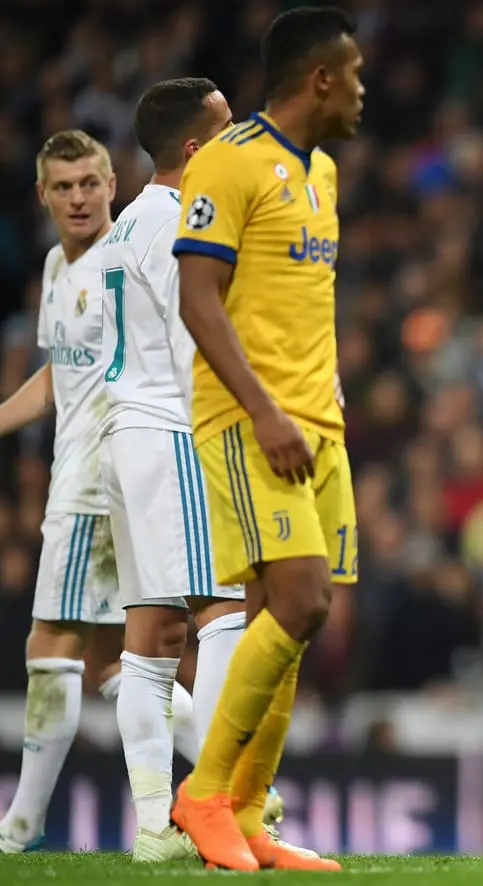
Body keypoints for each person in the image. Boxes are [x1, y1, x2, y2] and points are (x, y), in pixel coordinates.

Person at [167, 6, 363, 872]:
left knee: (292, 617)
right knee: (302, 599)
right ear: (320, 78)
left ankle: (246, 814)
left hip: (320, 421)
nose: (362, 91)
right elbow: (198, 299)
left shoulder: (322, 172)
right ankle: (204, 793)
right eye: (353, 74)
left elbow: (301, 307)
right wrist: (267, 412)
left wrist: (322, 405)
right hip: (254, 422)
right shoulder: (228, 160)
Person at [0, 131, 198, 853]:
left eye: (90, 183)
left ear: (114, 183)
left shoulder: (131, 260)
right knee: (125, 662)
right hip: (108, 471)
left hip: (97, 476)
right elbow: (60, 378)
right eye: (64, 186)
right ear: (43, 195)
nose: (79, 197)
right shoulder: (58, 264)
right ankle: (246, 788)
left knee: (53, 641)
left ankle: (20, 825)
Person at [97, 77, 254, 862]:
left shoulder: (127, 224)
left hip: (127, 434)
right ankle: (218, 798)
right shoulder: (177, 225)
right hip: (176, 430)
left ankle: (156, 825)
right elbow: (200, 339)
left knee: (153, 637)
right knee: (226, 609)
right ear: (198, 149)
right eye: (230, 128)